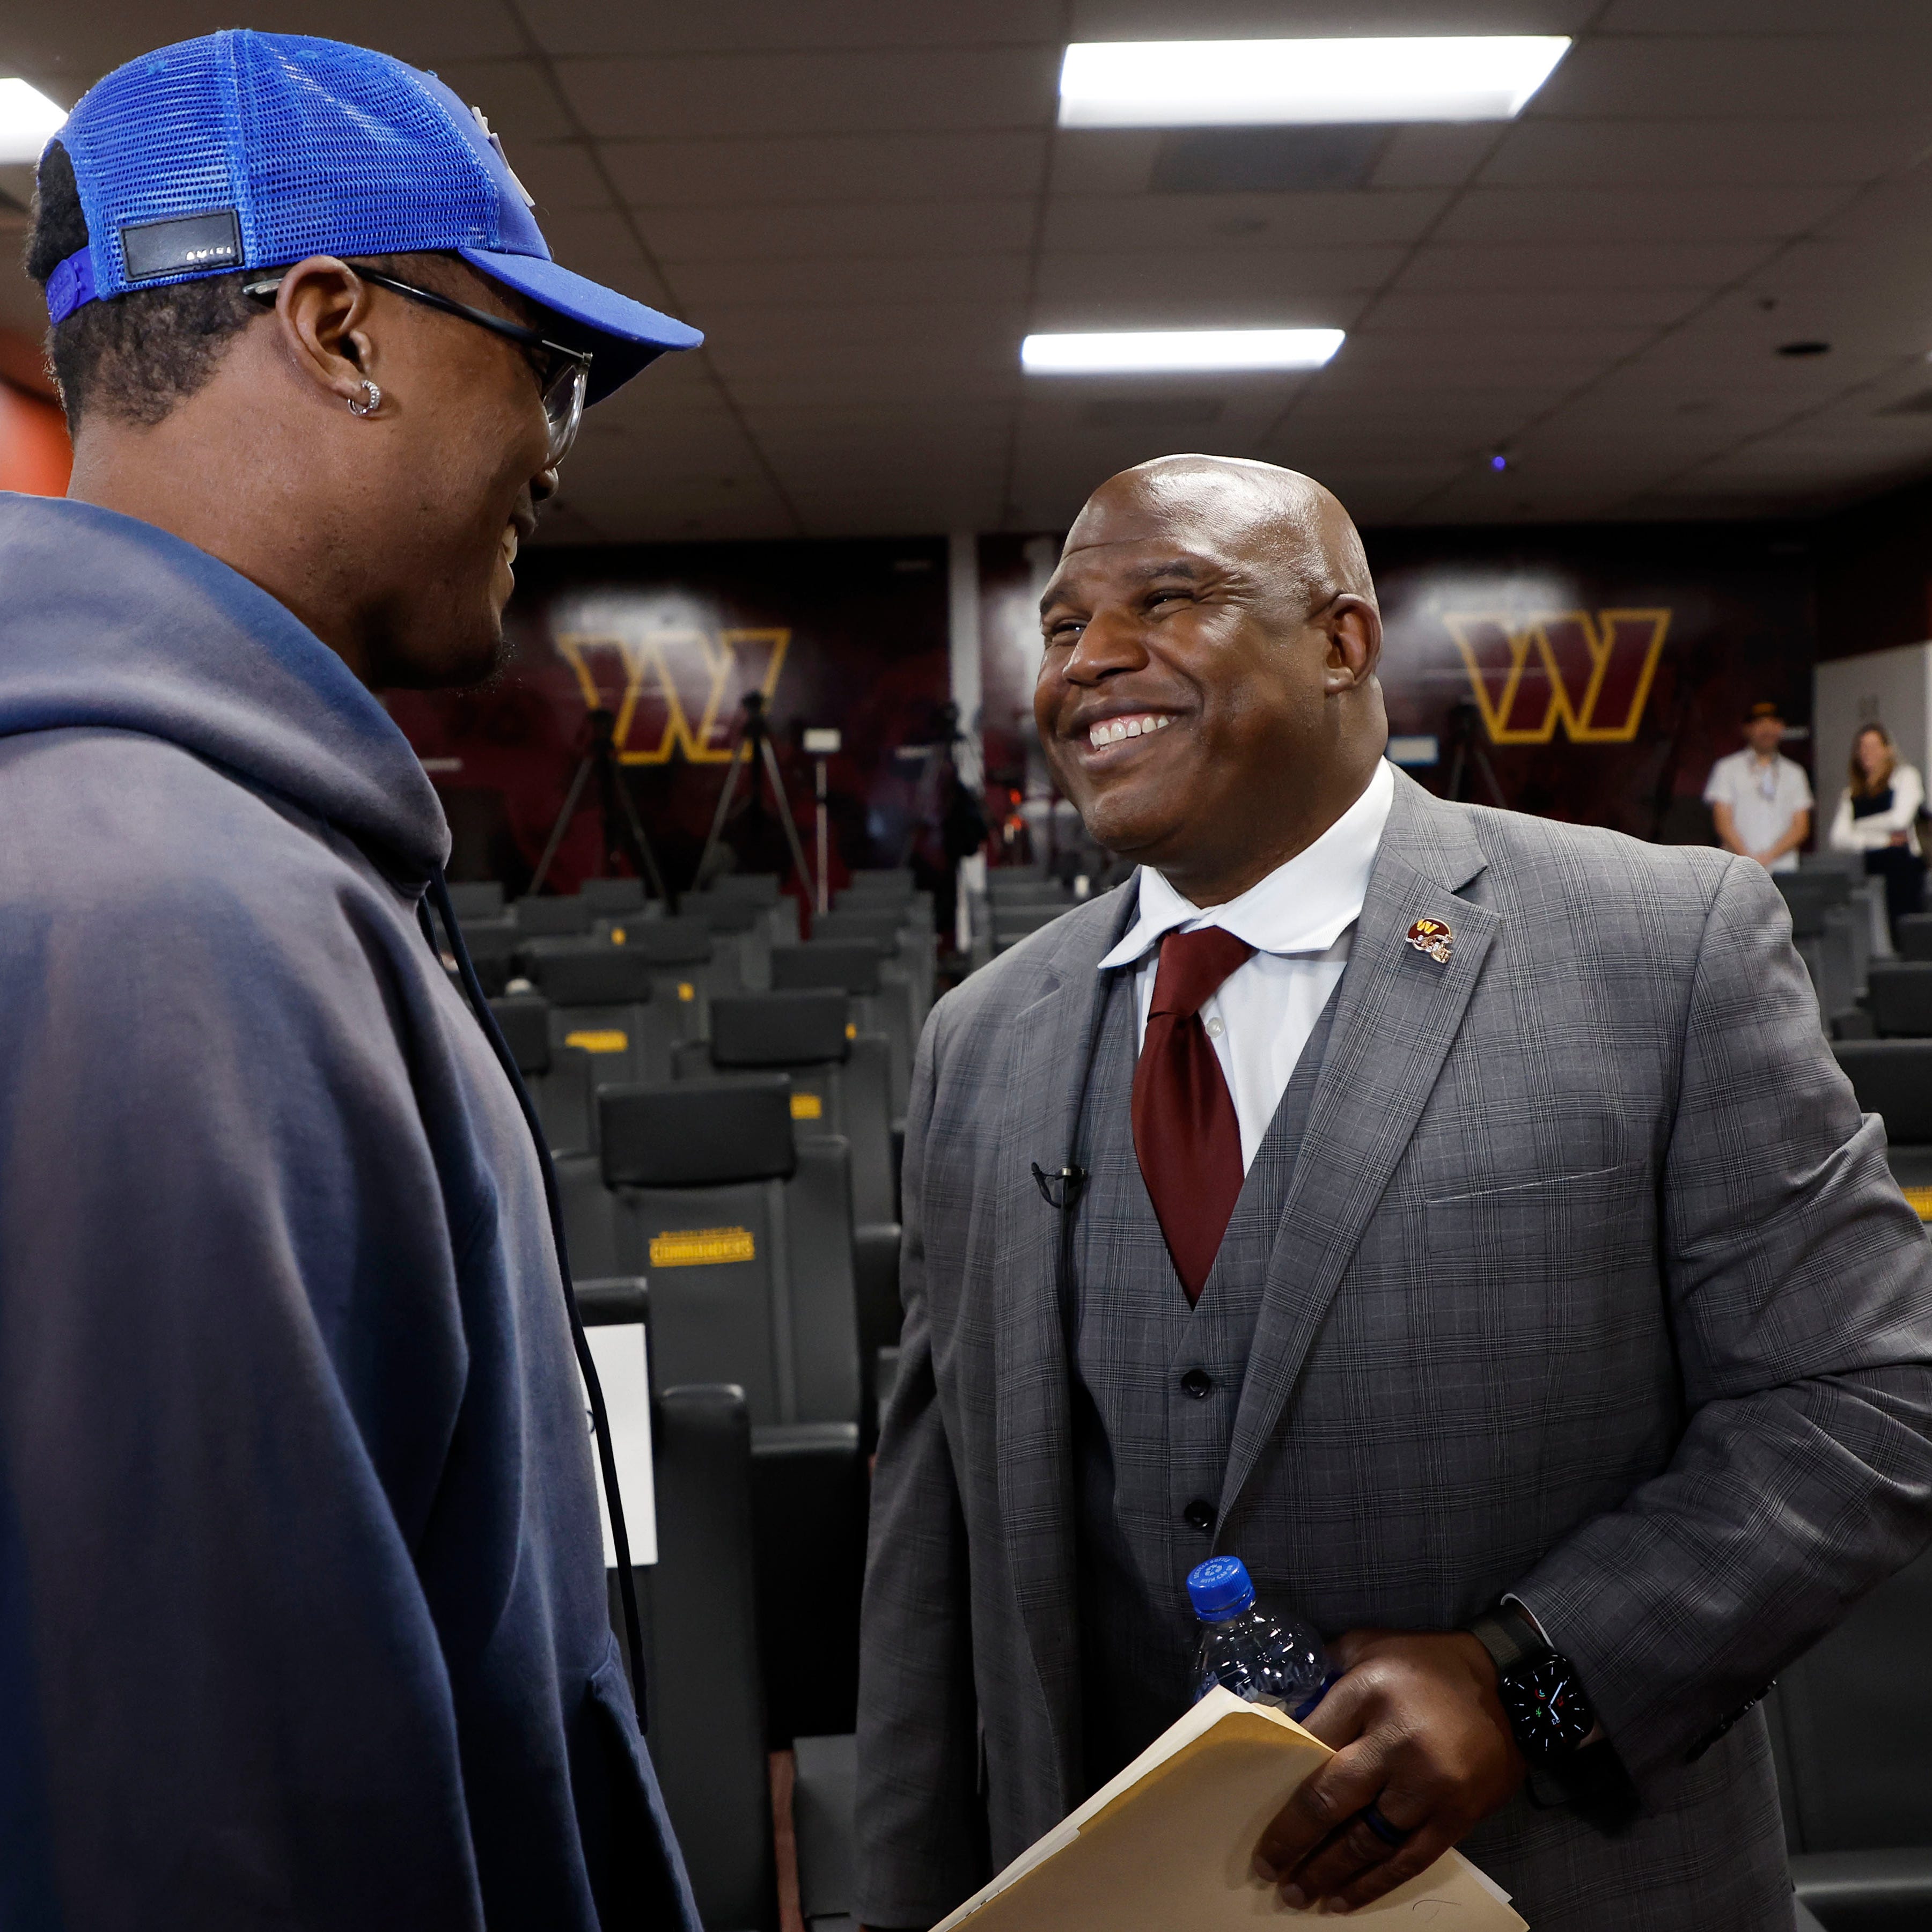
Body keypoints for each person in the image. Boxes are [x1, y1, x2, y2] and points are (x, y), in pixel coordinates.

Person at [855, 454, 1932, 1932]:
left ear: (1342, 640)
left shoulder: (1659, 944)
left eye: (1165, 600)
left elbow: (1863, 1397)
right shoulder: (983, 1037)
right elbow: (937, 1553)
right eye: (1061, 627)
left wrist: (1531, 1681)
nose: (1091, 660)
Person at [1, 32, 704, 1929]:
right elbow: (200, 1807)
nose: (557, 446)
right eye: (543, 361)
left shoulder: (206, 855)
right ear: (337, 329)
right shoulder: (160, 916)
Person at [1829, 721, 1926, 945]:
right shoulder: (1851, 794)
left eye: (1873, 746)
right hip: (1870, 866)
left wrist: (1859, 826)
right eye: (1862, 747)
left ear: (1887, 749)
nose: (1867, 753)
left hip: (1903, 868)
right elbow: (1839, 838)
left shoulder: (1905, 777)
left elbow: (1900, 819)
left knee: (1905, 929)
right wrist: (1882, 839)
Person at [1703, 700, 1813, 872]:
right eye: (1760, 724)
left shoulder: (1795, 773)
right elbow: (1723, 821)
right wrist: (1749, 860)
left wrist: (1768, 857)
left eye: (1773, 723)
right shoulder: (1727, 769)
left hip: (1783, 869)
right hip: (1737, 868)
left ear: (1781, 728)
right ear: (1747, 729)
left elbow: (1801, 827)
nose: (1767, 730)